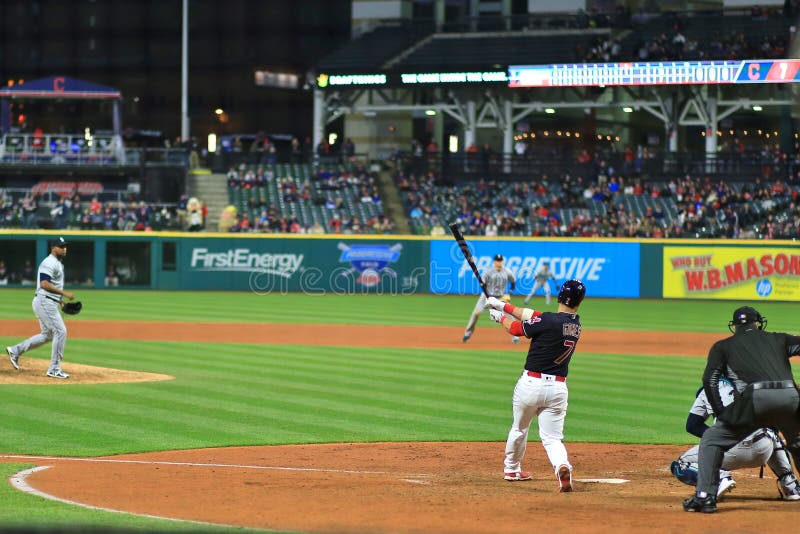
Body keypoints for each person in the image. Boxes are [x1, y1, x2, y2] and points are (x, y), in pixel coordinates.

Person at [683, 306, 800, 513]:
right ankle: (791, 484)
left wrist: (722, 415)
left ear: (734, 327)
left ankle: (705, 497)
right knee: (797, 441)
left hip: (756, 398)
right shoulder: (779, 338)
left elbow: (709, 379)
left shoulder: (723, 346)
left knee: (712, 439)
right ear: (758, 323)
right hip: (791, 394)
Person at [485, 279, 586, 491]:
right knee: (552, 438)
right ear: (579, 302)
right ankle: (561, 466)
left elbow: (515, 328)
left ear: (559, 297)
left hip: (531, 384)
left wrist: (499, 317)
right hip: (558, 390)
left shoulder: (548, 320)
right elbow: (532, 315)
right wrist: (501, 304)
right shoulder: (575, 325)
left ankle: (511, 469)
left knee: (520, 428)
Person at [670, 379, 799, 500]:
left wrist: (718, 439)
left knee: (680, 464)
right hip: (763, 449)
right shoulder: (760, 384)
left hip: (731, 451)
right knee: (771, 432)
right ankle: (791, 486)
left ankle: (719, 479)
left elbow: (693, 425)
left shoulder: (709, 389)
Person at [6, 237, 77, 379]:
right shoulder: (49, 262)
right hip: (44, 302)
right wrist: (64, 293)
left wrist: (60, 300)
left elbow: (51, 286)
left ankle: (15, 350)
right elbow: (44, 284)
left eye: (65, 246)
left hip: (47, 301)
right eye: (61, 246)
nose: (64, 249)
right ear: (53, 248)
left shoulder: (57, 263)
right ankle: (54, 369)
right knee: (60, 331)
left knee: (48, 335)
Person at [462, 254, 518, 344]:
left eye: (500, 261)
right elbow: (483, 284)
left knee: (509, 315)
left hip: (500, 297)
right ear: (494, 262)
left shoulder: (507, 272)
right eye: (497, 261)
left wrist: (509, 294)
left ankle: (515, 336)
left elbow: (513, 283)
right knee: (476, 314)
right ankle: (467, 334)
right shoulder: (488, 272)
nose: (499, 262)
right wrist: (484, 287)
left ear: (503, 261)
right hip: (486, 296)